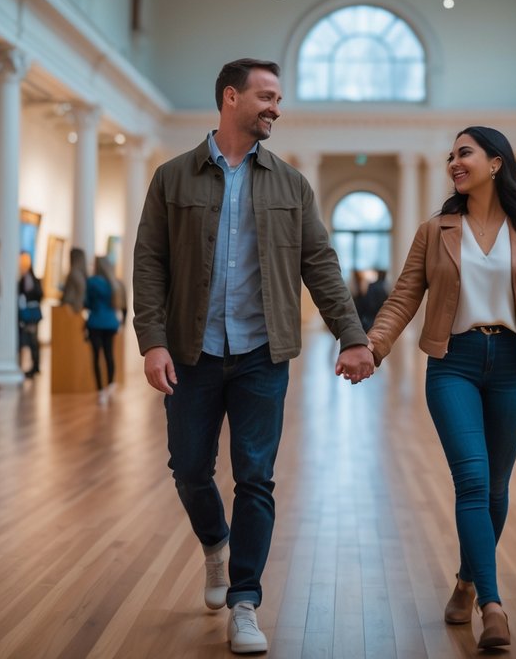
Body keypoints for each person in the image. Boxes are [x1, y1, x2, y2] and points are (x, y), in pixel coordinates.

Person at [133, 58, 375, 655]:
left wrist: (353, 335)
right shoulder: (172, 177)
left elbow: (319, 263)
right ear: (230, 97)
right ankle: (216, 545)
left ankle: (245, 600)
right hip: (191, 352)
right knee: (188, 468)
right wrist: (153, 339)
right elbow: (149, 263)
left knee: (255, 478)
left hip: (263, 355)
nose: (276, 107)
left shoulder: (291, 183)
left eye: (279, 98)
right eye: (266, 96)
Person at [365, 126, 516, 651]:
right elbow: (403, 299)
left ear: (497, 162)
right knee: (474, 481)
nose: (454, 163)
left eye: (465, 153)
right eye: (451, 156)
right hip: (453, 364)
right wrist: (372, 347)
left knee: (497, 488)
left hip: (514, 366)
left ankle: (464, 582)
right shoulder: (435, 230)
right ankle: (493, 606)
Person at [85, 255, 125, 402]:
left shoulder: (92, 282)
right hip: (111, 323)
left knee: (96, 356)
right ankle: (110, 384)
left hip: (95, 322)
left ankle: (100, 390)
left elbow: (87, 302)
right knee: (109, 354)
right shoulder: (114, 283)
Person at [17, 252, 43, 380]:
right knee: (25, 340)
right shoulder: (21, 280)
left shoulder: (33, 280)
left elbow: (39, 294)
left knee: (33, 340)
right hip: (25, 314)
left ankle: (36, 365)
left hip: (32, 314)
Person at [61, 247, 88, 313]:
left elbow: (79, 291)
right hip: (76, 308)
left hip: (71, 308)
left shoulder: (74, 273)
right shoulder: (80, 273)